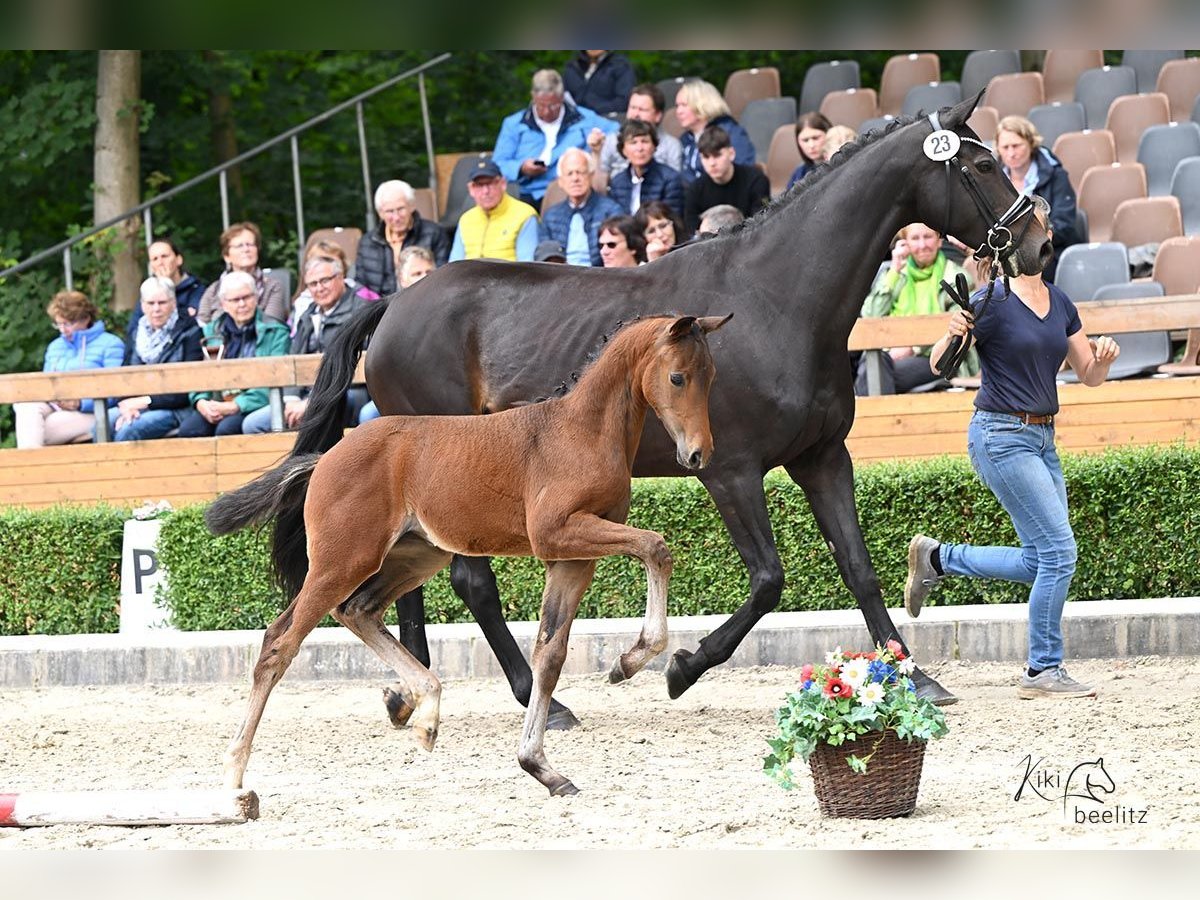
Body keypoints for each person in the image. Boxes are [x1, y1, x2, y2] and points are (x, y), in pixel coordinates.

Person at [905, 197, 1120, 700]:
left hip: (1042, 437)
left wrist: (1105, 359)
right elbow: (937, 365)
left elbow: (1088, 374)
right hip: (1000, 435)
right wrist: (953, 331)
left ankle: (939, 559)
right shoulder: (991, 301)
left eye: (1040, 225)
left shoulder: (1060, 301)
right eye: (1031, 225)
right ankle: (1042, 670)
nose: (1038, 234)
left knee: (1040, 559)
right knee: (1061, 552)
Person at [242, 256, 367, 434]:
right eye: (313, 284)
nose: (319, 288)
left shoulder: (360, 312)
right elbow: (293, 359)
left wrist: (313, 401)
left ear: (341, 277)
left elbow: (355, 369)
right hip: (306, 395)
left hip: (345, 392)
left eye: (325, 280)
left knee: (311, 417)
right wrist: (291, 398)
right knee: (252, 424)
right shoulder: (307, 316)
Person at [854, 222, 977, 396]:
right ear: (905, 243)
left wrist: (913, 349)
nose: (922, 245)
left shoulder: (955, 277)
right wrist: (894, 271)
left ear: (939, 241)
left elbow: (960, 327)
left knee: (874, 374)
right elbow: (870, 316)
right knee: (874, 365)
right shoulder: (895, 274)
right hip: (886, 357)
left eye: (927, 237)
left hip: (935, 357)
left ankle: (873, 420)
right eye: (915, 238)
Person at [174, 271, 291, 438]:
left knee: (227, 429)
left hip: (255, 402)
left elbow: (278, 380)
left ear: (256, 298)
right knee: (190, 429)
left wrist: (237, 405)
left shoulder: (275, 331)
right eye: (235, 300)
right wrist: (201, 401)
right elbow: (198, 374)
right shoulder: (209, 332)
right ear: (223, 304)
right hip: (218, 402)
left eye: (247, 297)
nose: (242, 304)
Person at [13, 290, 125, 449]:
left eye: (68, 324)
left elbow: (116, 391)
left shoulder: (111, 344)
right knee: (26, 407)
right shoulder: (55, 346)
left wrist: (80, 403)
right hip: (54, 406)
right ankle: (30, 469)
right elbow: (44, 382)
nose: (63, 330)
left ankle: (28, 470)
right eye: (58, 324)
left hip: (93, 412)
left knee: (36, 431)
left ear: (86, 319)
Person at [491, 68, 618, 207]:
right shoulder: (514, 124)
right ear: (533, 96)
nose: (546, 112)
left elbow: (617, 131)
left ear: (562, 97)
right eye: (540, 106)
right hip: (524, 192)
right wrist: (521, 168)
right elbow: (498, 164)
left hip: (566, 191)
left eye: (553, 106)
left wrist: (594, 149)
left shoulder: (584, 119)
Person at [107, 276, 203, 442]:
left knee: (128, 431)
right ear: (143, 306)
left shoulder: (191, 331)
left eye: (162, 303)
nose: (156, 309)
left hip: (177, 408)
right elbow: (124, 376)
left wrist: (144, 402)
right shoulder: (136, 333)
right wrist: (126, 405)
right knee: (103, 423)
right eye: (150, 304)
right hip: (136, 403)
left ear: (173, 303)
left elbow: (187, 388)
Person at [357, 246, 437, 426]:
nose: (425, 277)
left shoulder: (447, 309)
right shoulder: (392, 313)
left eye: (429, 271)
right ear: (402, 279)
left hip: (443, 390)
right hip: (402, 391)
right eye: (417, 273)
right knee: (368, 414)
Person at [995, 115, 1080, 282]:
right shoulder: (993, 179)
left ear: (1031, 143)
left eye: (1016, 145)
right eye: (1005, 147)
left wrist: (1028, 244)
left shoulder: (1056, 175)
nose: (1011, 153)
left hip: (1049, 251)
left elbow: (1064, 223)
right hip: (1006, 254)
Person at [354, 179, 450, 296]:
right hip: (380, 310)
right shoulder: (367, 242)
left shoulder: (435, 233)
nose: (396, 217)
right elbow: (360, 287)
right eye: (389, 211)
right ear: (380, 213)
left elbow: (443, 277)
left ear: (412, 206)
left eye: (401, 209)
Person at [586, 82, 683, 188]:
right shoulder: (611, 140)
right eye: (632, 108)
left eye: (642, 110)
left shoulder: (671, 146)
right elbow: (599, 189)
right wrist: (596, 154)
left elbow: (675, 186)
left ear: (658, 116)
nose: (635, 114)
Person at [538, 147, 623, 266]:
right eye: (569, 173)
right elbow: (544, 257)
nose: (575, 178)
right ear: (560, 182)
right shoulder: (551, 216)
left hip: (600, 276)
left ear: (591, 176)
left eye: (580, 172)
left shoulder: (611, 211)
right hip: (561, 277)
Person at [682, 126, 770, 237]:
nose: (712, 163)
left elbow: (762, 223)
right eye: (706, 157)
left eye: (717, 155)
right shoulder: (695, 190)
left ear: (731, 153)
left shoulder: (756, 181)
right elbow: (692, 230)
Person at [448, 160, 540, 263]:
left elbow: (528, 265)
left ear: (503, 184)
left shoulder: (524, 215)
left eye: (490, 183)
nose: (486, 191)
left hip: (510, 277)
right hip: (468, 278)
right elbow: (454, 264)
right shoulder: (465, 220)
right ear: (471, 189)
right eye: (479, 185)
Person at [195, 222, 288, 325]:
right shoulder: (213, 290)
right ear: (226, 256)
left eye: (250, 244)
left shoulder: (272, 287)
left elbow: (272, 325)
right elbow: (201, 325)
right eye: (239, 246)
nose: (246, 249)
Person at [674, 78, 757, 185]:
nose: (678, 111)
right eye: (677, 106)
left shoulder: (731, 132)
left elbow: (744, 169)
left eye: (684, 105)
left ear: (703, 104)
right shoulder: (685, 139)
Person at [125, 238, 206, 343]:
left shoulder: (197, 291)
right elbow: (132, 332)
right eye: (155, 259)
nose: (160, 262)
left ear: (178, 260)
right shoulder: (148, 294)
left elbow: (193, 328)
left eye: (164, 256)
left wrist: (166, 287)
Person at [607, 119, 685, 218]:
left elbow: (672, 217)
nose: (640, 148)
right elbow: (615, 219)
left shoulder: (670, 178)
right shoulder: (617, 181)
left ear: (654, 146)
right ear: (623, 150)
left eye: (645, 141)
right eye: (633, 142)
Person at [291, 239, 379, 324]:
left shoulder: (362, 297)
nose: (320, 288)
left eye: (328, 261)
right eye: (315, 262)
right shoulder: (302, 302)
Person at [562, 51, 636, 118]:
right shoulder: (572, 66)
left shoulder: (620, 65)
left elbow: (623, 100)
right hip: (574, 121)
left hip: (607, 121)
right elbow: (564, 97)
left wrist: (594, 111)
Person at [786, 111, 832, 190]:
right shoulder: (799, 173)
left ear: (829, 134)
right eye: (805, 140)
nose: (811, 145)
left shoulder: (841, 168)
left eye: (816, 138)